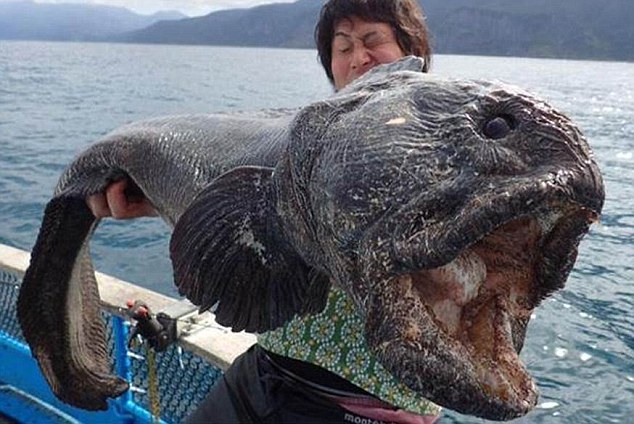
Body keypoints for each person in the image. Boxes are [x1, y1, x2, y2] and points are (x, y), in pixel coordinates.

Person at [88, 1, 438, 422]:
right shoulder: (305, 149)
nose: (357, 59)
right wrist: (155, 200)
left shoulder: (443, 147)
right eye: (342, 47)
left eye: (372, 41)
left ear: (411, 49)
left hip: (359, 407)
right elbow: (260, 220)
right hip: (264, 369)